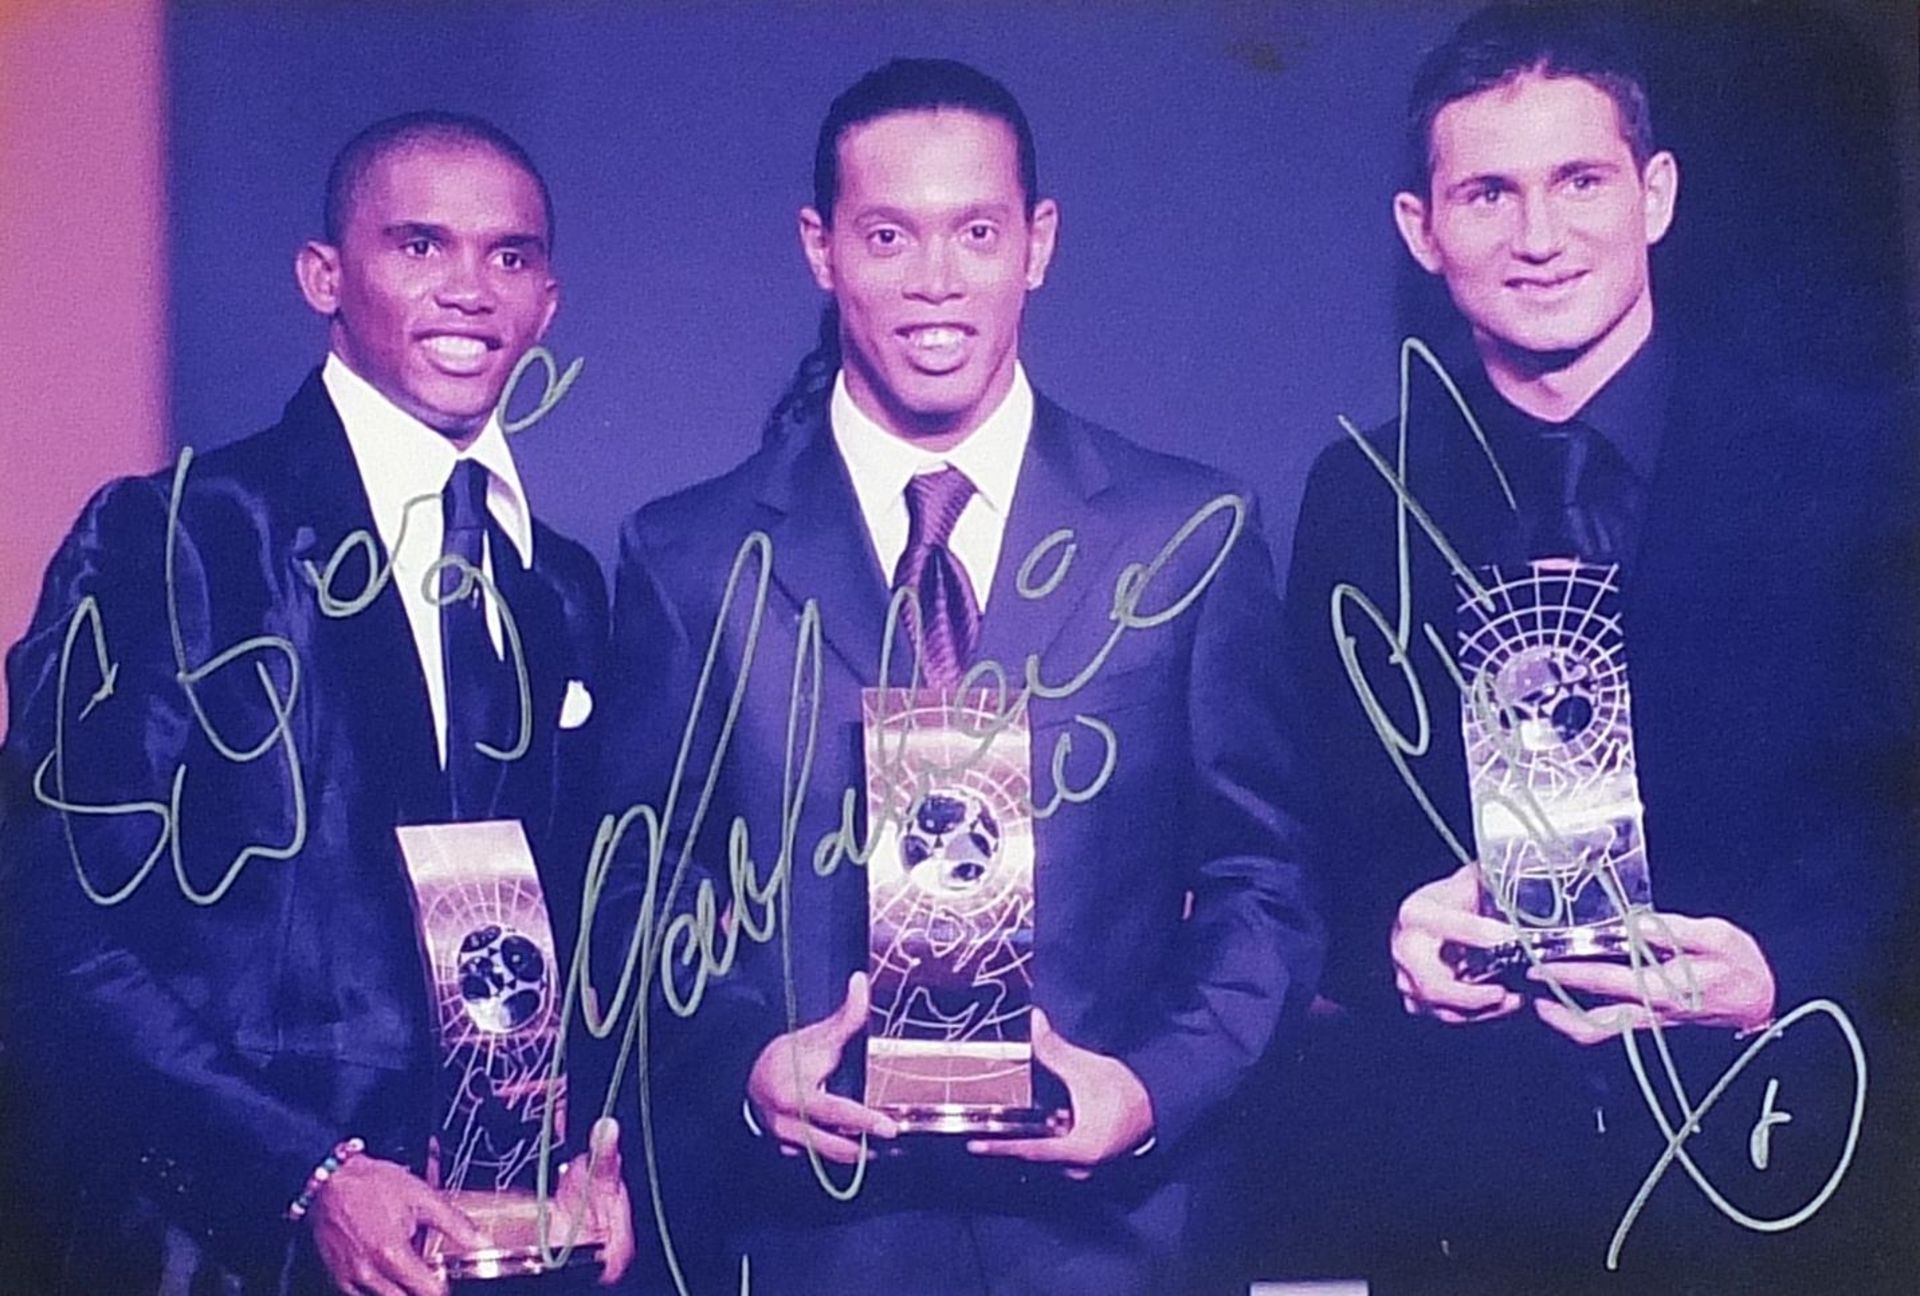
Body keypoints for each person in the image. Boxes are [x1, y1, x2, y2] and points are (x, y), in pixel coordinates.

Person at [600, 58, 1321, 1296]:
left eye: (975, 231)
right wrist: (744, 1065)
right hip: (811, 1243)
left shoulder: (1185, 533)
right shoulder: (690, 559)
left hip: (1115, 1246)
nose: (936, 280)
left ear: (1036, 243)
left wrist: (1150, 1089)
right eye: (889, 234)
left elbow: (1268, 883)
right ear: (821, 250)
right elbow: (638, 894)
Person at [1274, 6, 1915, 1293]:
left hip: (1802, 1178)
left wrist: (1786, 961)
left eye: (1580, 180)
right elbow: (1301, 850)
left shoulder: (1864, 466)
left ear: (1656, 193)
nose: (1540, 237)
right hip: (1474, 1210)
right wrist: (1386, 945)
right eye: (1489, 193)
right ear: (1422, 230)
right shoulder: (1359, 500)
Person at [0, 112, 634, 1295]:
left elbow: (570, 925)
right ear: (324, 277)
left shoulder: (559, 587)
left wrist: (597, 1147)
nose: (469, 292)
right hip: (216, 1254)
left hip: (495, 1255)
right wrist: (310, 1175)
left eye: (509, 257)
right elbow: (50, 926)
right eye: (419, 246)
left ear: (548, 301)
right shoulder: (179, 534)